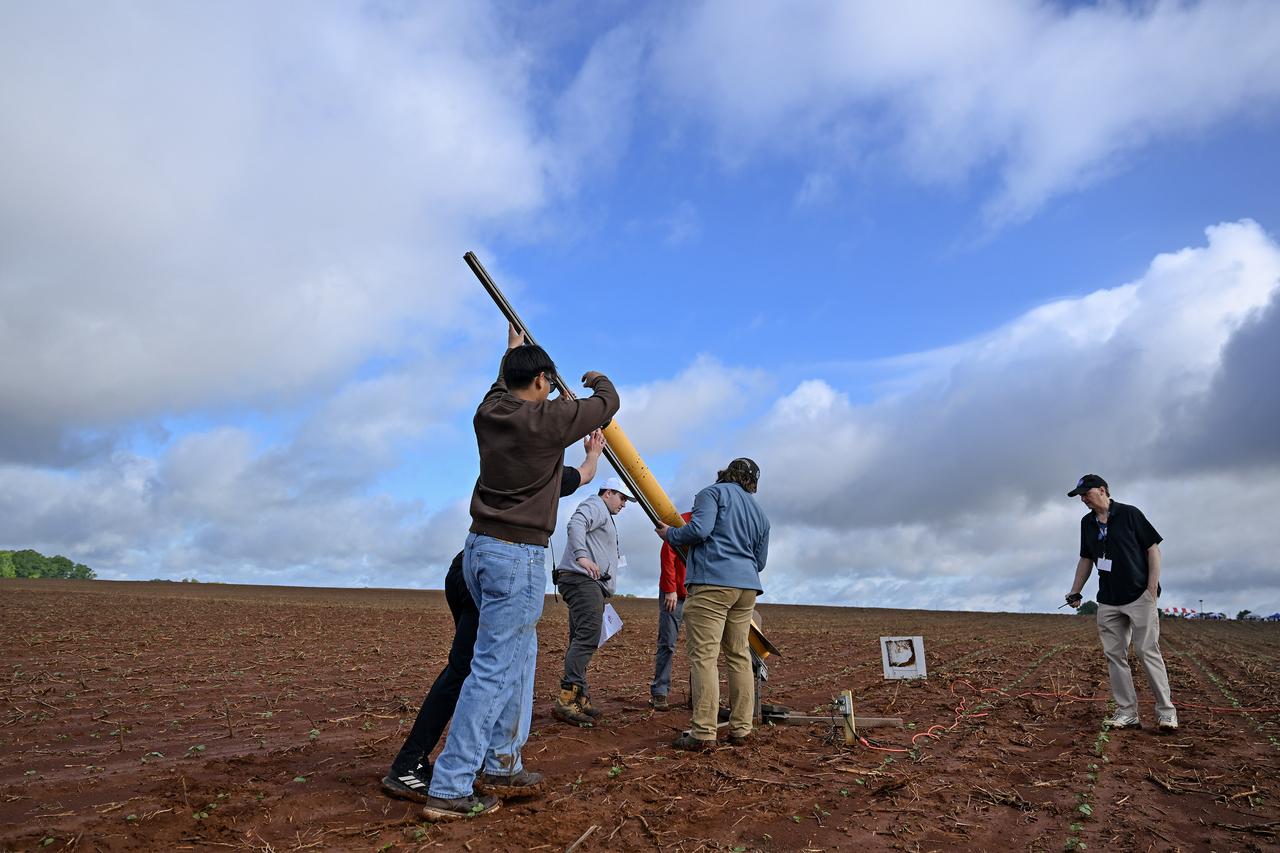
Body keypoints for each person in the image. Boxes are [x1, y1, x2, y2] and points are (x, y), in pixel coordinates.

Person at [420, 325, 619, 821]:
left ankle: (503, 762)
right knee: (492, 671)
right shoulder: (546, 420)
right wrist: (593, 376)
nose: (551, 392)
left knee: (520, 660)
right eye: (548, 384)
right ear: (542, 381)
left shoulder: (488, 412)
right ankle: (450, 787)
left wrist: (514, 348)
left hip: (479, 551)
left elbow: (504, 379)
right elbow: (607, 401)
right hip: (517, 558)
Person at [381, 430, 605, 802]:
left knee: (470, 668)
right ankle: (416, 766)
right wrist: (593, 452)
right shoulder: (544, 472)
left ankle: (492, 763)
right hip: (490, 577)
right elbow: (583, 474)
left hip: (467, 569)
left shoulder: (510, 463)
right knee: (475, 671)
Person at [654, 458, 769, 751]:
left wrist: (671, 535)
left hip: (712, 584)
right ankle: (742, 728)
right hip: (747, 588)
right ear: (752, 483)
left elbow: (699, 530)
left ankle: (704, 732)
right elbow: (761, 561)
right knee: (739, 654)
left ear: (726, 473)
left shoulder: (712, 494)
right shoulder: (760, 514)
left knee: (704, 656)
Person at [1064, 474, 1177, 732]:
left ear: (1102, 490)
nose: (1082, 498)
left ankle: (1166, 712)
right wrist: (1075, 591)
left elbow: (1153, 549)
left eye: (1086, 493)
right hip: (1108, 600)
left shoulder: (1130, 514)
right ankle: (1127, 712)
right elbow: (1086, 559)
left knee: (1147, 652)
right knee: (1115, 656)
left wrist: (1151, 589)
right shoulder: (1087, 523)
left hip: (1139, 595)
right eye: (1079, 495)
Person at [551, 476, 636, 725]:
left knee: (581, 638)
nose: (624, 504)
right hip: (583, 581)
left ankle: (579, 696)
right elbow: (575, 524)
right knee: (588, 636)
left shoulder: (603, 514)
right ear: (607, 492)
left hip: (587, 583)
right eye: (622, 498)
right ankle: (568, 700)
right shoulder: (596, 506)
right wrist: (582, 557)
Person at [649, 510, 692, 711]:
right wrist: (670, 589)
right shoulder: (681, 521)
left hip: (699, 594)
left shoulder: (713, 525)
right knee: (667, 642)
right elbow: (668, 553)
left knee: (702, 648)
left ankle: (699, 695)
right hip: (675, 594)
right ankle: (660, 692)